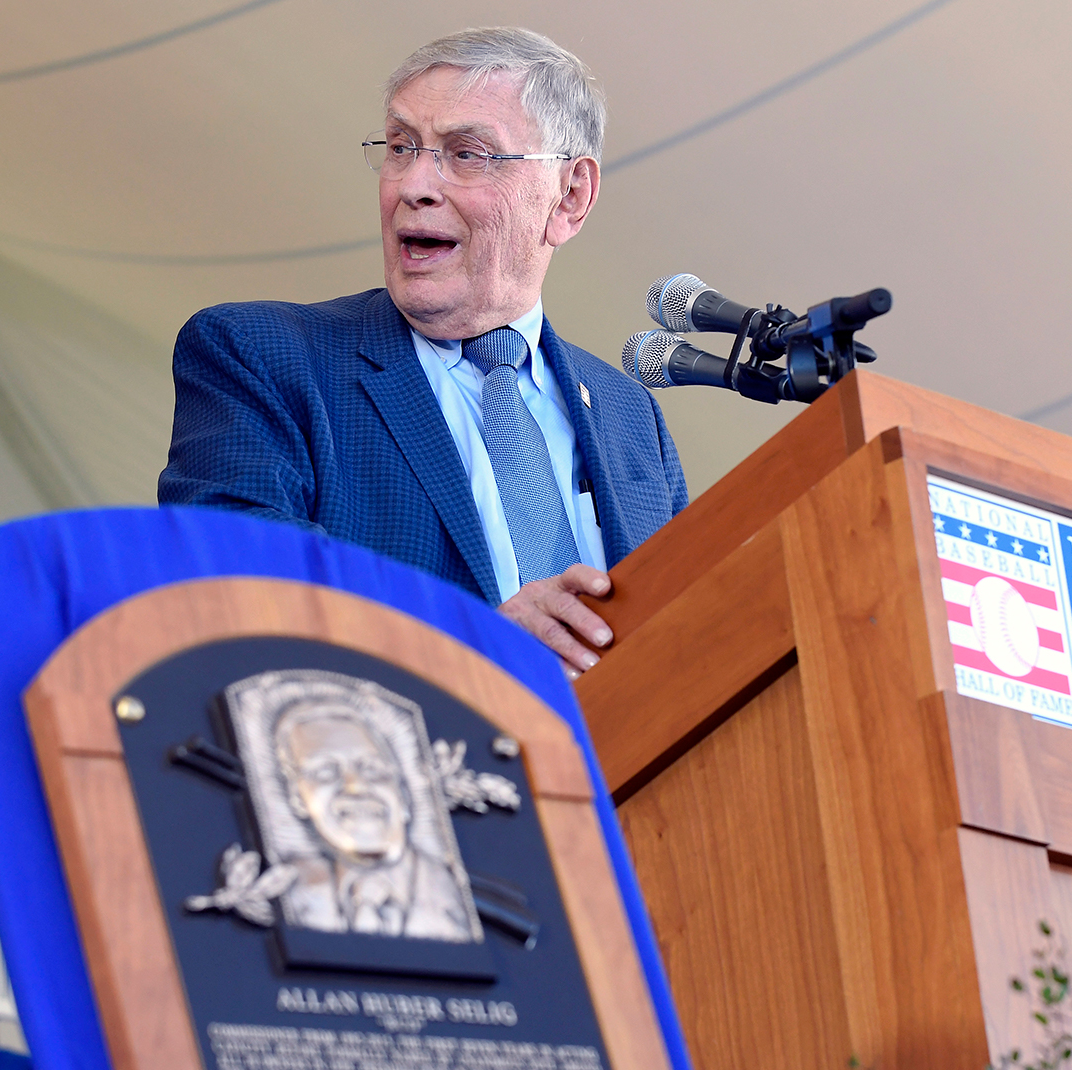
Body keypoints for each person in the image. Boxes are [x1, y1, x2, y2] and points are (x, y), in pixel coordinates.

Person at [158, 28, 687, 675]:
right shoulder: (261, 356)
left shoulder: (630, 415)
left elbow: (689, 628)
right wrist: (470, 641)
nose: (414, 185)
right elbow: (231, 572)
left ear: (570, 195)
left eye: (467, 154)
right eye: (402, 147)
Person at [272, 701, 478, 941]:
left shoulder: (466, 898)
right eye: (325, 771)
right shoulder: (284, 891)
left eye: (371, 768)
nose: (356, 786)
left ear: (402, 790)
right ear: (297, 797)